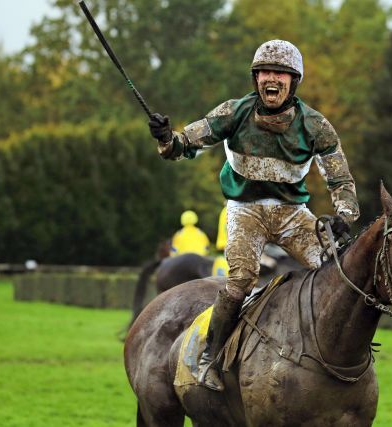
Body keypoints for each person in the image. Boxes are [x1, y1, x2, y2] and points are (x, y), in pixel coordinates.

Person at [148, 40, 359, 391]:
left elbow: (340, 178)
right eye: (264, 72)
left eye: (280, 73)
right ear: (255, 78)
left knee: (336, 271)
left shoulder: (316, 125)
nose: (270, 79)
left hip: (293, 214)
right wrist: (165, 137)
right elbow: (182, 146)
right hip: (246, 211)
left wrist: (345, 214)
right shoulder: (234, 112)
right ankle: (210, 358)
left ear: (294, 82)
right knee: (242, 279)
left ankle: (338, 356)